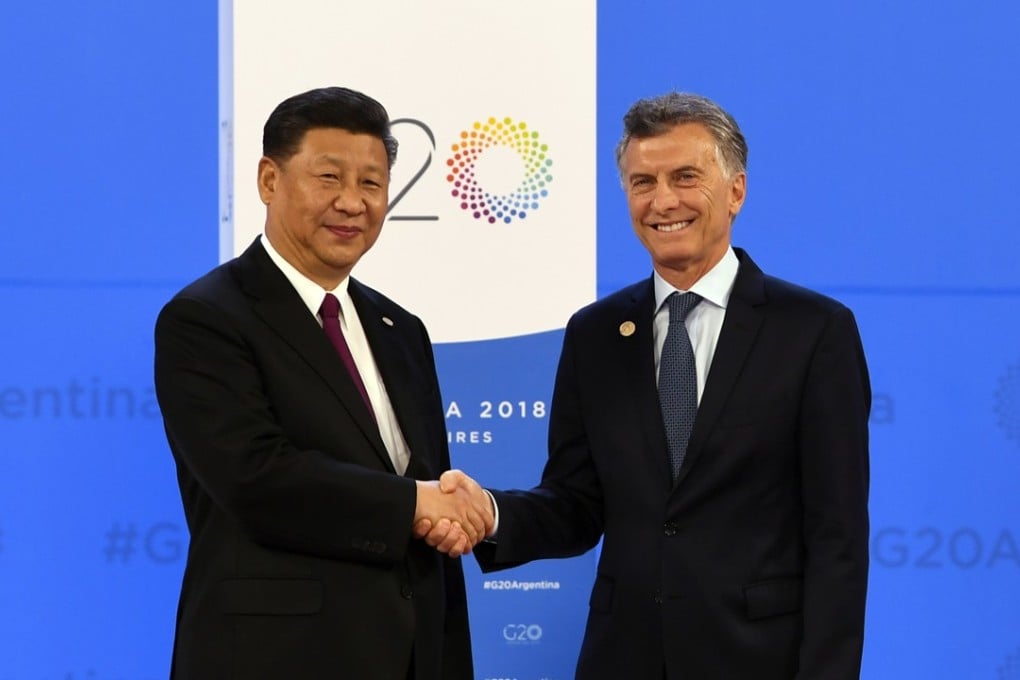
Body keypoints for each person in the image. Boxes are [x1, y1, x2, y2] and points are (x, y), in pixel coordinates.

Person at [422, 92, 871, 679]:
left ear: (736, 191)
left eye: (685, 177)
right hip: (623, 658)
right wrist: (490, 512)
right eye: (643, 182)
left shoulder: (814, 331)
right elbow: (576, 504)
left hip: (759, 658)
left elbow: (837, 536)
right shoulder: (595, 333)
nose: (663, 201)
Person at [154, 86, 491, 680]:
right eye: (329, 177)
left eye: (371, 183)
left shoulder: (400, 328)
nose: (352, 202)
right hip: (274, 658)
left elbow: (422, 487)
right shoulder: (205, 318)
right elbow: (256, 480)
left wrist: (444, 511)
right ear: (269, 180)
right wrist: (417, 504)